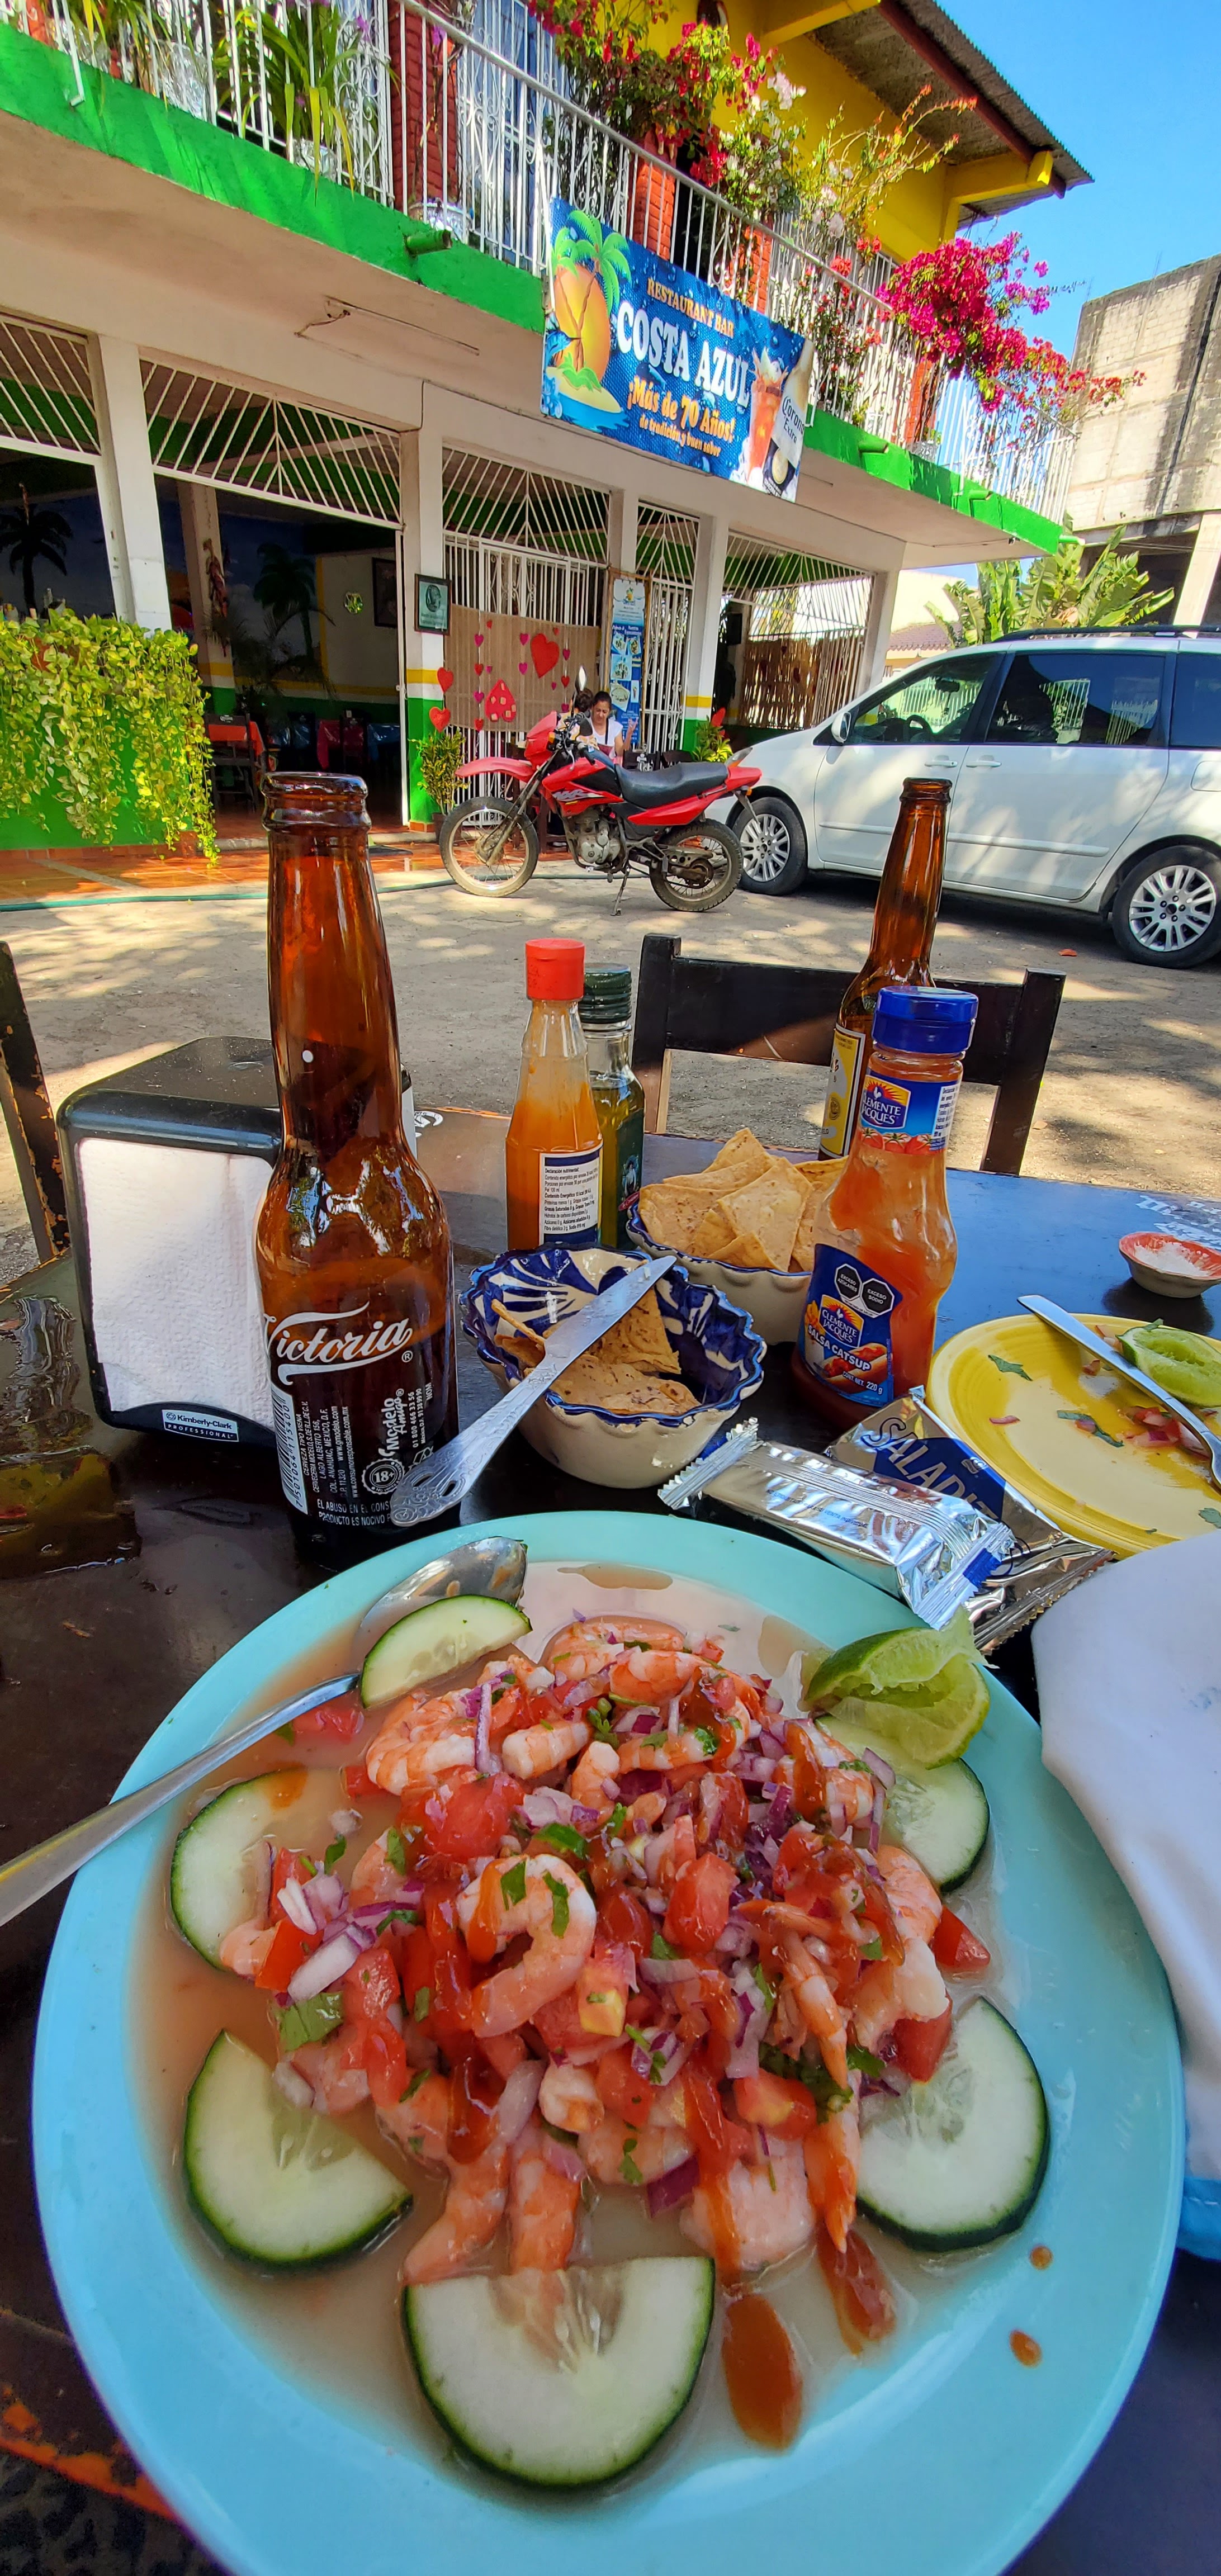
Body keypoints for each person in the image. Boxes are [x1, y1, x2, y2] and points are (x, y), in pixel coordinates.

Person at [589, 689, 628, 759]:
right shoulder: (585, 724)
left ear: (609, 711)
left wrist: (629, 736)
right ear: (592, 708)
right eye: (598, 710)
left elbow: (620, 753)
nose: (601, 715)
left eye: (604, 712)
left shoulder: (615, 728)